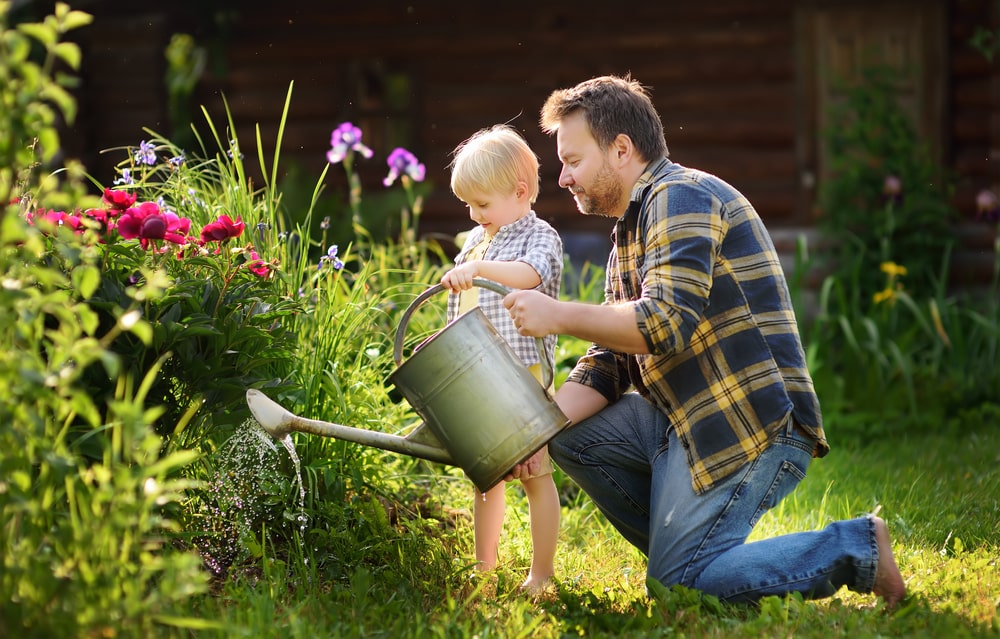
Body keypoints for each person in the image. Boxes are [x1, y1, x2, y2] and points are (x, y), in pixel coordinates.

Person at [501, 75, 907, 606]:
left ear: (621, 149)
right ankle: (700, 553)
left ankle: (854, 547)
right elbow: (611, 364)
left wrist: (557, 316)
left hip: (746, 422)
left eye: (573, 160)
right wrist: (530, 431)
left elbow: (664, 323)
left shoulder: (682, 196)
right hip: (681, 420)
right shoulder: (629, 231)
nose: (563, 177)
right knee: (569, 434)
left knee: (677, 587)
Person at [440, 124, 564, 595]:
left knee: (535, 476)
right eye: (468, 206)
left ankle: (542, 573)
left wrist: (477, 269)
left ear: (519, 191)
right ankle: (484, 566)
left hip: (523, 379)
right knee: (486, 478)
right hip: (479, 378)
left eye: (483, 204)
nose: (475, 214)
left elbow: (530, 277)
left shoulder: (540, 237)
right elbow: (466, 307)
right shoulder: (477, 240)